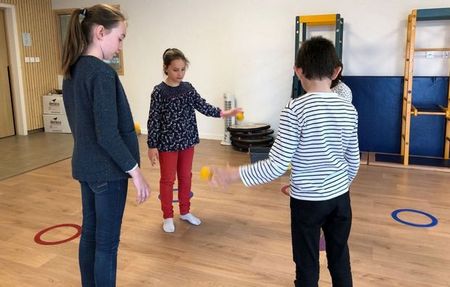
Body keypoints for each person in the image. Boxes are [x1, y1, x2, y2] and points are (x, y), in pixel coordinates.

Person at [211, 37, 360, 287]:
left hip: (307, 203)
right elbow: (353, 160)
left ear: (298, 70)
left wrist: (234, 174)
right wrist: (338, 186)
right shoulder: (349, 109)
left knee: (307, 263)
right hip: (340, 200)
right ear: (336, 71)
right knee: (339, 256)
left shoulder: (295, 109)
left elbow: (277, 165)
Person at [61, 4, 150, 286]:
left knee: (90, 235)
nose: (121, 46)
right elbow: (107, 134)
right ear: (100, 32)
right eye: (120, 37)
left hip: (86, 169)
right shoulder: (101, 73)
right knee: (106, 244)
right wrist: (136, 172)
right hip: (107, 173)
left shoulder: (72, 71)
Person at [147, 48, 242, 233]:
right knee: (167, 180)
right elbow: (153, 119)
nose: (180, 74)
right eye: (175, 69)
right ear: (166, 68)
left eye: (183, 69)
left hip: (187, 141)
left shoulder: (188, 89)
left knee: (185, 177)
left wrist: (225, 113)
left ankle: (185, 211)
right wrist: (152, 146)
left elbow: (203, 106)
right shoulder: (159, 92)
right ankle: (167, 216)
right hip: (167, 144)